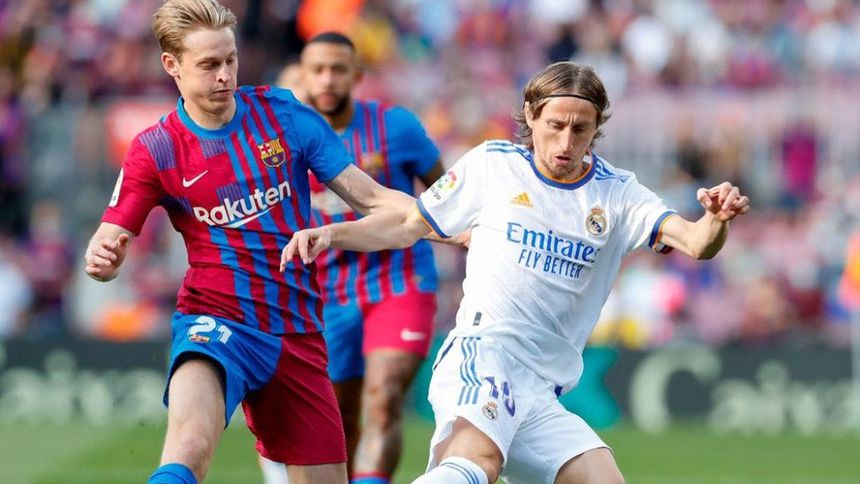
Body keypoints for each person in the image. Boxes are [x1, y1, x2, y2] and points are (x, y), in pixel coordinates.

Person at [281, 61, 751, 484]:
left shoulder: (619, 194)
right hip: (484, 353)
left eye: (580, 129)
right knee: (477, 461)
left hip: (541, 391)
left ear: (597, 129)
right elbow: (408, 224)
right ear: (531, 115)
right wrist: (332, 234)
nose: (566, 142)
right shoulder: (493, 166)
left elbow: (696, 243)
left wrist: (716, 219)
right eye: (556, 125)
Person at [84, 1, 416, 483]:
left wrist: (445, 219)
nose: (224, 75)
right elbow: (110, 237)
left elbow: (374, 199)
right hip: (215, 320)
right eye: (209, 64)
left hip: (296, 329)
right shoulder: (155, 149)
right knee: (190, 443)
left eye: (231, 59)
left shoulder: (284, 115)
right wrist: (103, 257)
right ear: (172, 65)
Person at [260, 32, 446, 484]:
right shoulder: (280, 139)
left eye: (338, 70)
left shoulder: (396, 128)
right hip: (324, 293)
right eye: (318, 70)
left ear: (357, 76)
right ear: (303, 76)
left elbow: (444, 195)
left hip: (398, 279)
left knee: (384, 395)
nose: (327, 79)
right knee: (337, 416)